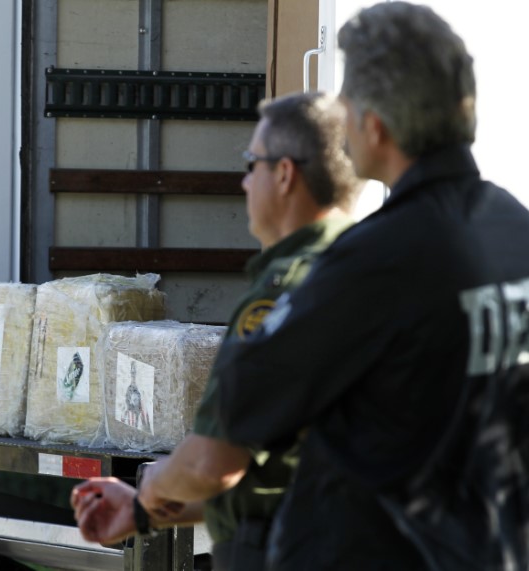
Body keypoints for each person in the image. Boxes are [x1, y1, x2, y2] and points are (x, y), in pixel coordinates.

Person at [210, 2, 529, 570]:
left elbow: (246, 395)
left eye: (348, 106)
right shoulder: (518, 228)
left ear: (374, 127)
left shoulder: (380, 256)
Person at [70, 91, 362, 570]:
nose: (245, 183)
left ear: (285, 174)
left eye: (252, 164)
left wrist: (153, 486)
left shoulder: (286, 292)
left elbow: (213, 465)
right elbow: (289, 478)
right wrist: (143, 512)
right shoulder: (372, 273)